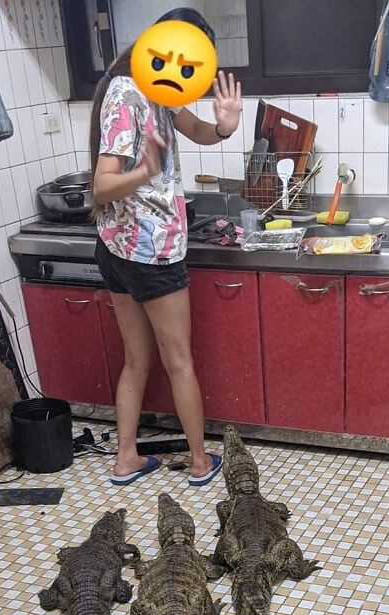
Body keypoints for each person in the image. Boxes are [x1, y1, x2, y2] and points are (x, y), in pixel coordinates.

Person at [89, 7, 242, 486]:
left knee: (138, 359)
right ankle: (199, 462)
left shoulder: (160, 88)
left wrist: (225, 126)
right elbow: (102, 185)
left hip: (121, 247)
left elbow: (196, 130)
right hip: (149, 251)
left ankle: (126, 459)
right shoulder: (126, 93)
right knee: (178, 361)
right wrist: (145, 172)